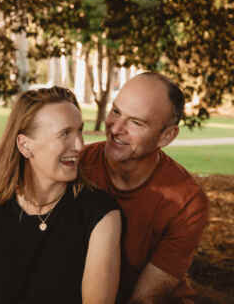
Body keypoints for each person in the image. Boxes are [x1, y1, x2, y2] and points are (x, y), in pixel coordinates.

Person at [0, 86, 121, 304]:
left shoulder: (100, 214)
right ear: (25, 145)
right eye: (65, 133)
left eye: (79, 131)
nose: (80, 145)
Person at [80, 72, 209, 304]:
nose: (116, 128)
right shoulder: (77, 167)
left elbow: (144, 298)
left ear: (166, 136)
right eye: (116, 112)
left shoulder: (187, 203)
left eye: (136, 122)